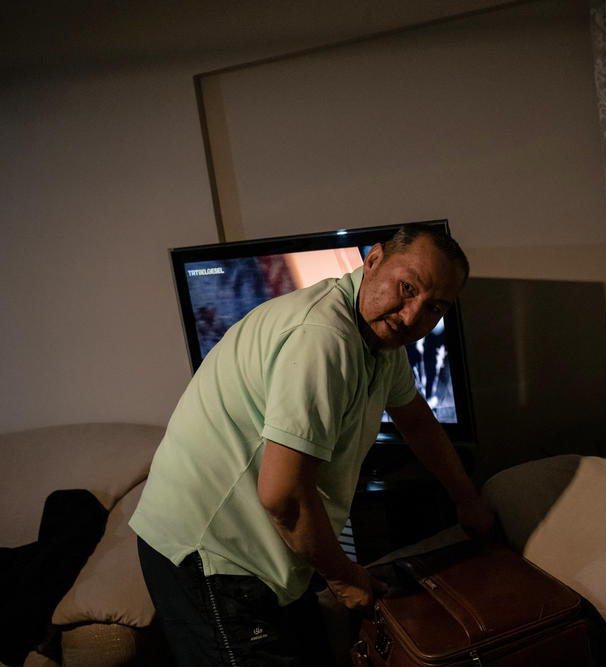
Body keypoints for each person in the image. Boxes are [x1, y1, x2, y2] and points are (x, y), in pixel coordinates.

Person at [129, 223, 495, 666]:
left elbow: (417, 421)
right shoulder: (325, 337)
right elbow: (283, 494)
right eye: (406, 287)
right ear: (373, 259)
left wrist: (466, 498)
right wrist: (344, 578)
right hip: (210, 551)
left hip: (268, 548)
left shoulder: (381, 338)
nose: (413, 316)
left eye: (434, 307)